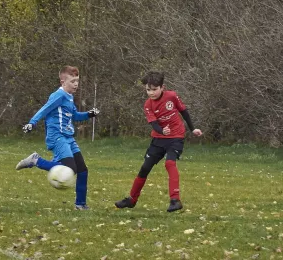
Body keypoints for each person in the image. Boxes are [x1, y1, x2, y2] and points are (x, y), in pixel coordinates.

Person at [115, 71, 203, 212]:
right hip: (159, 138)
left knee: (170, 163)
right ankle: (132, 199)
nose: (151, 93)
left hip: (176, 137)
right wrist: (162, 131)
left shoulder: (172, 96)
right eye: (148, 90)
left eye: (154, 89)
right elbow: (154, 124)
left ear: (163, 87)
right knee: (145, 168)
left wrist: (192, 129)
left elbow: (184, 112)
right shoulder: (148, 105)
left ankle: (175, 200)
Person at [15, 65, 99, 210]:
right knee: (70, 168)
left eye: (77, 81)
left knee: (83, 170)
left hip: (68, 137)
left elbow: (75, 116)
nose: (76, 84)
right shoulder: (58, 95)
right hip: (57, 136)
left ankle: (80, 204)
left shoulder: (69, 97)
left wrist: (89, 114)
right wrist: (32, 123)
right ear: (63, 81)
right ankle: (36, 160)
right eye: (72, 81)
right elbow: (44, 109)